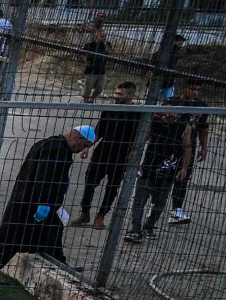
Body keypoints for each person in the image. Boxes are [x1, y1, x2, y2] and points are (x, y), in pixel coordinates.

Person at [0, 124, 94, 280]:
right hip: (31, 203)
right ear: (77, 138)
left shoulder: (52, 145)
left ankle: (62, 267)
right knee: (12, 242)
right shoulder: (56, 150)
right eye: (84, 145)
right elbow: (44, 177)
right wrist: (43, 202)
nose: (83, 150)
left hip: (33, 200)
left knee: (54, 230)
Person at [76, 81, 142, 226]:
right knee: (90, 182)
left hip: (122, 154)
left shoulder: (137, 113)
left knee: (112, 186)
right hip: (103, 150)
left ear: (130, 95)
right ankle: (85, 213)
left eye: (120, 94)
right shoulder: (111, 109)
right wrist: (87, 146)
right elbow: (99, 130)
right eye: (116, 93)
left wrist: (133, 156)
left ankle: (101, 215)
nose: (116, 96)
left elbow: (139, 137)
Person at [126, 104, 190, 242]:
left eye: (175, 111)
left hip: (169, 168)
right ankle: (135, 229)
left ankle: (149, 226)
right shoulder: (153, 122)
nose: (171, 114)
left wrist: (184, 168)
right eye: (169, 110)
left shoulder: (184, 126)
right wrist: (135, 161)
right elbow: (140, 141)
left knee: (160, 201)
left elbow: (187, 147)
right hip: (150, 165)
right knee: (140, 199)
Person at [170, 93, 207, 224]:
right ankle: (154, 206)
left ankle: (177, 209)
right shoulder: (174, 102)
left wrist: (204, 147)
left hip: (189, 145)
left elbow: (203, 128)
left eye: (198, 89)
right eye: (192, 88)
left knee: (183, 176)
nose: (195, 92)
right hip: (169, 143)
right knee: (163, 174)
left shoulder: (201, 106)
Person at [80, 16, 111, 102]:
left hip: (102, 70)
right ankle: (86, 99)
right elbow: (80, 53)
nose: (104, 37)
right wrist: (83, 62)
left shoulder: (106, 44)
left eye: (105, 36)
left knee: (100, 87)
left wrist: (104, 43)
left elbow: (110, 52)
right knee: (88, 87)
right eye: (102, 36)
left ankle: (92, 98)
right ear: (96, 36)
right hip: (91, 70)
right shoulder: (90, 45)